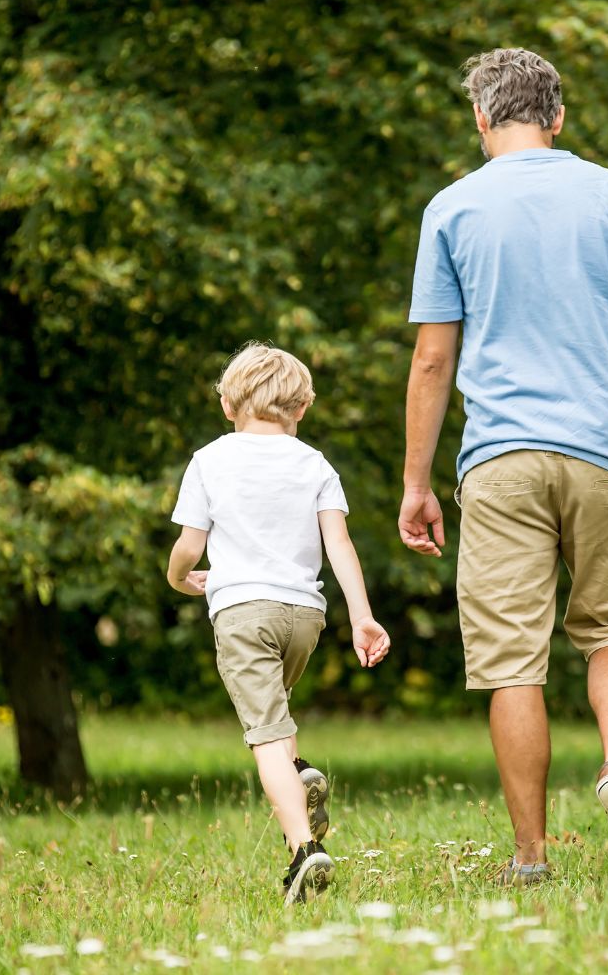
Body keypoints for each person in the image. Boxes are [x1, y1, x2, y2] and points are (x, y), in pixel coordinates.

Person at [398, 47, 608, 884]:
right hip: (605, 450)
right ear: (558, 116)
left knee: (511, 661)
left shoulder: (453, 208)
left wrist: (415, 483)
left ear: (482, 119)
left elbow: (432, 359)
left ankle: (530, 861)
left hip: (498, 459)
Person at [166, 342, 391, 903]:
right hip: (303, 617)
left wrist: (178, 578)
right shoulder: (314, 463)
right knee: (277, 714)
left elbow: (189, 546)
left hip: (243, 612)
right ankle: (301, 773)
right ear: (302, 408)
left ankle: (303, 848)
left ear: (227, 405)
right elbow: (338, 543)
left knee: (264, 735)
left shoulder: (209, 459)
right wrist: (361, 617)